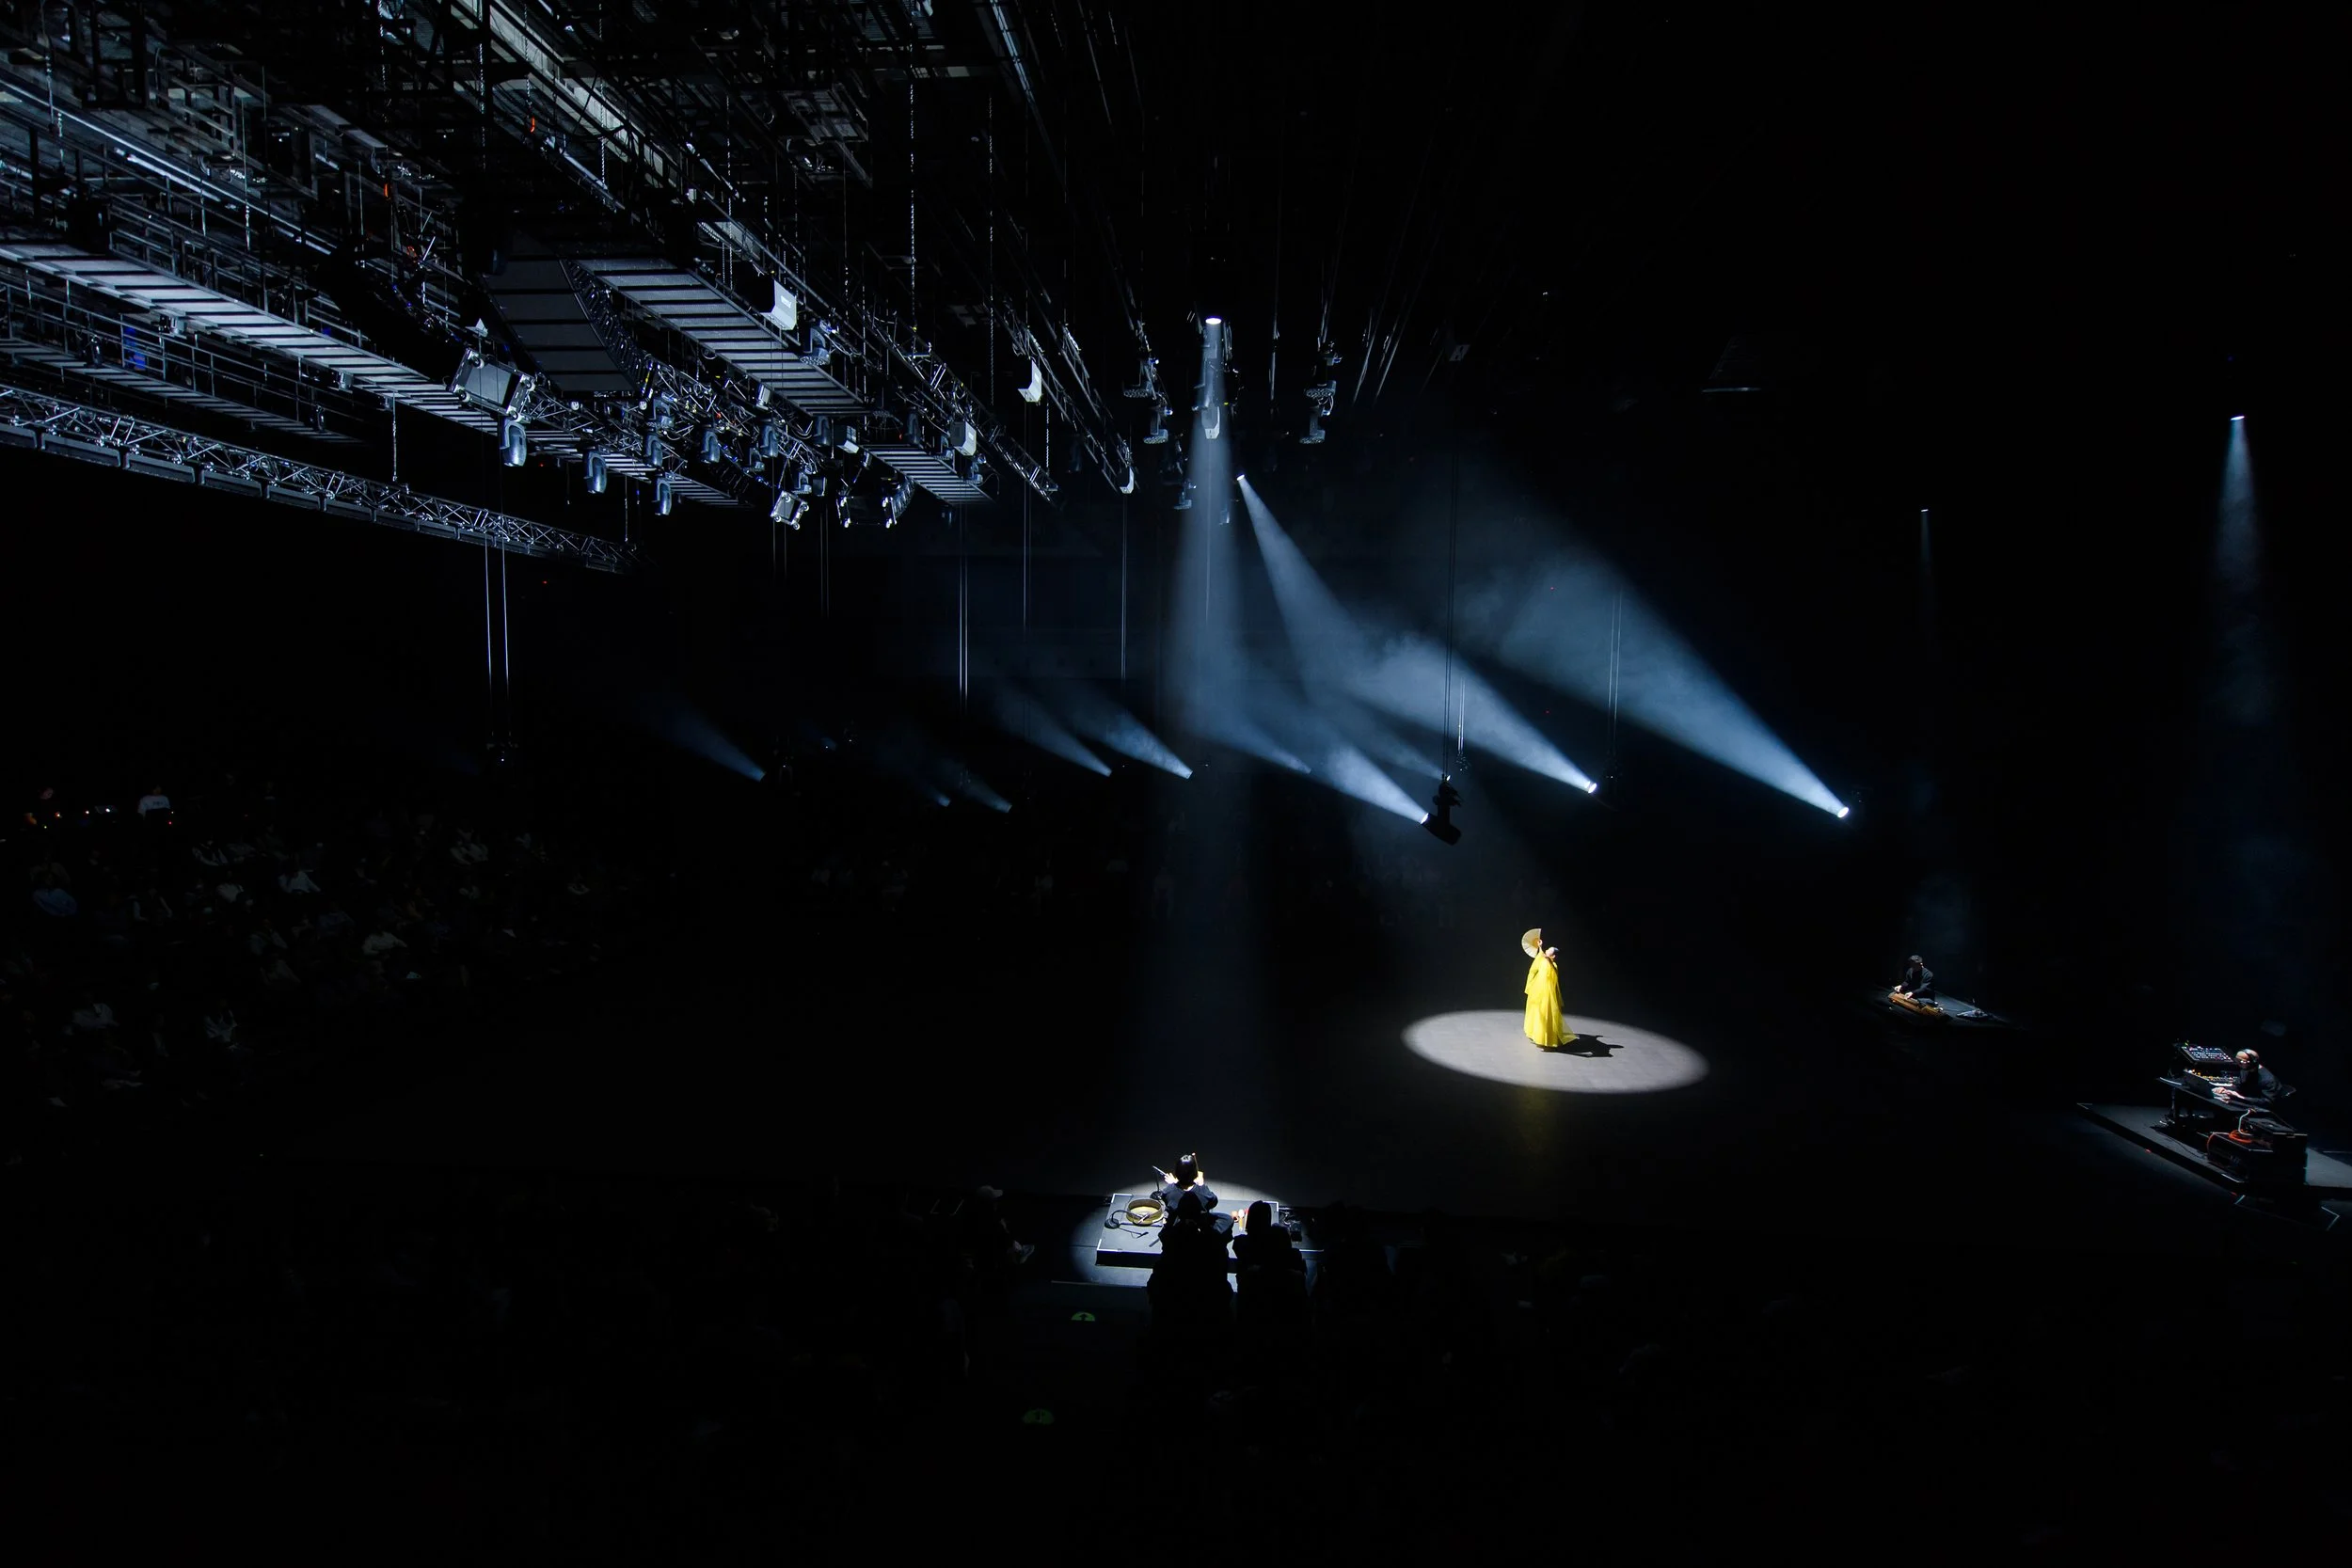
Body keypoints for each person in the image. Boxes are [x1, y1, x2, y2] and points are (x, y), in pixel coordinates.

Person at [1522, 927, 1576, 1047]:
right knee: (1537, 1013)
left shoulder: (1553, 966)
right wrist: (1540, 947)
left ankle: (1546, 1037)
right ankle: (1535, 1033)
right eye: (1547, 950)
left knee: (1546, 1014)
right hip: (1538, 992)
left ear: (1553, 957)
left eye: (1549, 952)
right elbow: (1540, 957)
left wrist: (1549, 960)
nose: (1546, 952)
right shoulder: (1542, 960)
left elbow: (1552, 974)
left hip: (1547, 996)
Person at [2214, 1049, 2291, 1107]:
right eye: (2237, 1061)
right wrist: (2226, 1090)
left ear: (2251, 1062)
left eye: (2241, 1062)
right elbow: (2239, 1086)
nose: (2238, 1064)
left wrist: (2241, 1098)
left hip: (2258, 1109)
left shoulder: (2268, 1080)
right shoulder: (2245, 1071)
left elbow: (2267, 1102)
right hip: (2246, 1102)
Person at [1152, 1154, 1220, 1215]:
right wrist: (1201, 1185)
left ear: (1177, 1173)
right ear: (1195, 1174)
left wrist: (1173, 1184)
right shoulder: (1204, 1194)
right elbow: (1213, 1202)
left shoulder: (1168, 1191)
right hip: (1198, 1227)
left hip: (1176, 1227)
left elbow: (1166, 1199)